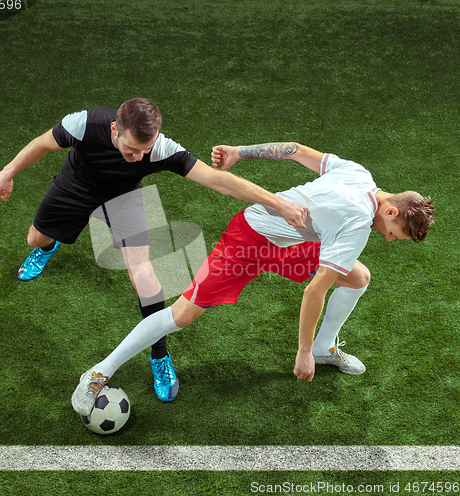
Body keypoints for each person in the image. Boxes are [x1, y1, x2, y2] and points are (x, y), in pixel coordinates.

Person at [72, 140, 434, 415]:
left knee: (357, 277)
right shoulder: (357, 224)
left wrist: (240, 152)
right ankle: (99, 372)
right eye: (393, 232)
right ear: (390, 210)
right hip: (249, 240)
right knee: (182, 315)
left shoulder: (361, 174)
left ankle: (327, 348)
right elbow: (314, 292)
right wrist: (301, 352)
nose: (387, 238)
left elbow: (295, 150)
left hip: (291, 241)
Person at [0, 101, 308, 403]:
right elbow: (42, 144)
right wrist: (8, 171)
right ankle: (50, 246)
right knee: (35, 238)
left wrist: (279, 203)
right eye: (131, 150)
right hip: (77, 185)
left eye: (145, 151)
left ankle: (159, 353)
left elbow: (219, 181)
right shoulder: (84, 124)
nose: (138, 157)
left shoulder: (159, 149)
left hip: (124, 198)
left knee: (143, 273)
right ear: (115, 128)